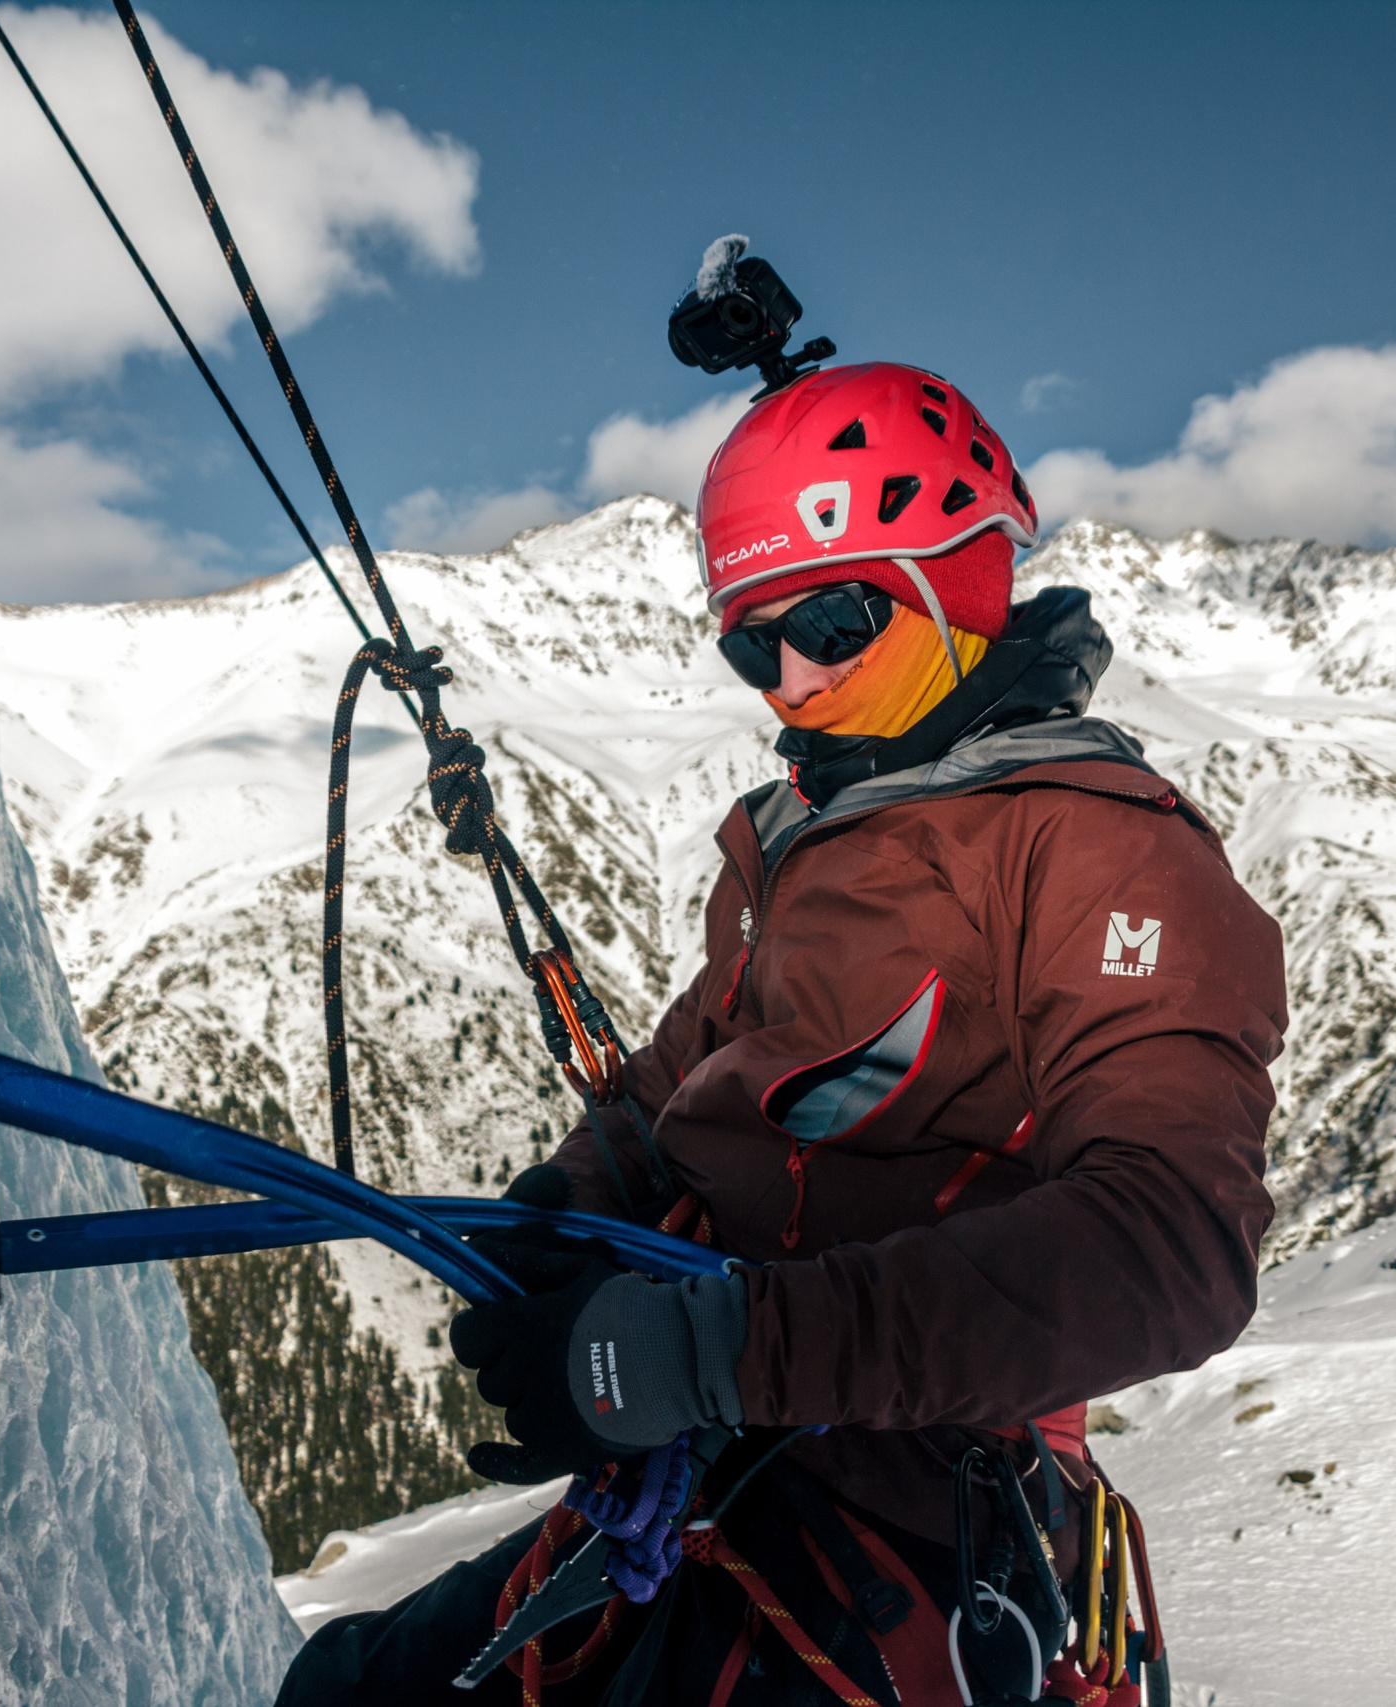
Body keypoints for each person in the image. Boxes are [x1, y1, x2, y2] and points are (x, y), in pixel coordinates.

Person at [278, 362, 1285, 1706]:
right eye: (755, 641)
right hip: (727, 1475)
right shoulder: (805, 837)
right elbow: (688, 1082)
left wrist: (696, 1351)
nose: (791, 681)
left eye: (833, 618)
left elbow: (1171, 1246)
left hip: (913, 1524)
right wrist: (565, 1207)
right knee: (346, 1690)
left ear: (960, 580)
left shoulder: (1104, 855)